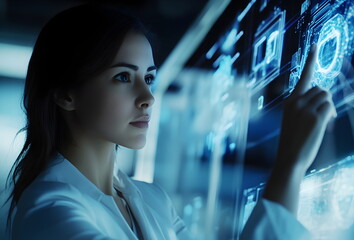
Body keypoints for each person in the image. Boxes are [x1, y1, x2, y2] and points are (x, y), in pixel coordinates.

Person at [5, 4, 336, 240]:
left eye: (149, 78)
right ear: (66, 95)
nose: (147, 97)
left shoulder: (153, 200)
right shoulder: (50, 211)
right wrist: (288, 166)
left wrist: (290, 169)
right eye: (123, 77)